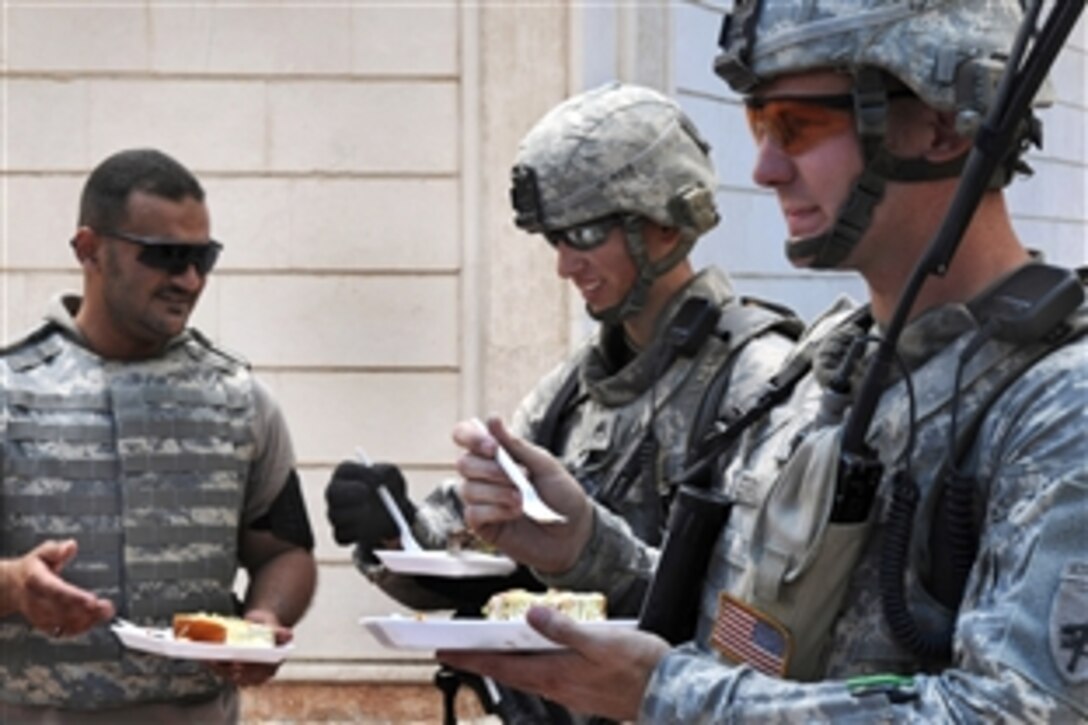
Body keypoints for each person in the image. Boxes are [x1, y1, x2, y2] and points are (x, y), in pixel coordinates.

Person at [439, 1, 1087, 722]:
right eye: (759, 124)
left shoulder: (1058, 406)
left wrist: (666, 695)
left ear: (938, 126)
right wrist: (587, 547)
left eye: (797, 126)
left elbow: (1014, 712)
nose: (766, 167)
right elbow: (756, 634)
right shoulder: (834, 368)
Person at [325, 82, 799, 720]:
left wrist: (587, 553)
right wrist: (394, 526)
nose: (564, 265)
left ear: (663, 220)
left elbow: (761, 630)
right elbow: (470, 547)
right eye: (555, 240)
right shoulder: (572, 394)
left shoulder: (765, 387)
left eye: (583, 234)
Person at [0, 148, 318, 723]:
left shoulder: (238, 399)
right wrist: (14, 585)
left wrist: (265, 619)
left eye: (203, 258)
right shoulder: (8, 392)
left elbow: (286, 551)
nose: (190, 280)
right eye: (166, 257)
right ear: (89, 249)